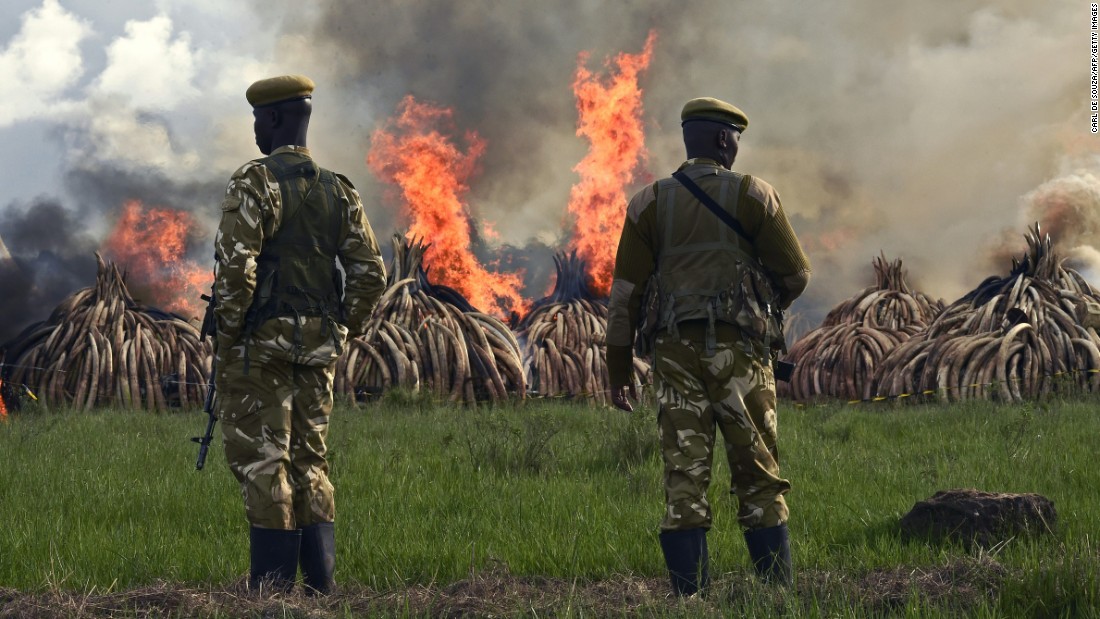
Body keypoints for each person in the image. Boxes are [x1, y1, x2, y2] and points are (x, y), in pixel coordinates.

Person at [605, 97, 811, 595]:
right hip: (741, 356)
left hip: (673, 355)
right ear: (723, 139)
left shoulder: (647, 203)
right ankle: (774, 596)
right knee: (758, 472)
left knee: (684, 476)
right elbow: (796, 273)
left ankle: (689, 600)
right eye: (736, 138)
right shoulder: (754, 195)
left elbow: (624, 298)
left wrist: (617, 370)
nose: (738, 147)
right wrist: (760, 301)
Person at [212, 74, 387, 594]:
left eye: (256, 120)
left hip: (259, 348)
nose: (254, 130)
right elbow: (371, 273)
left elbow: (236, 269)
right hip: (319, 346)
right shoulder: (339, 189)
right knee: (311, 460)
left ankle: (270, 591)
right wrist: (344, 327)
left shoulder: (254, 182)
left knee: (265, 459)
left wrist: (230, 335)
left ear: (271, 119)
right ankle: (320, 588)